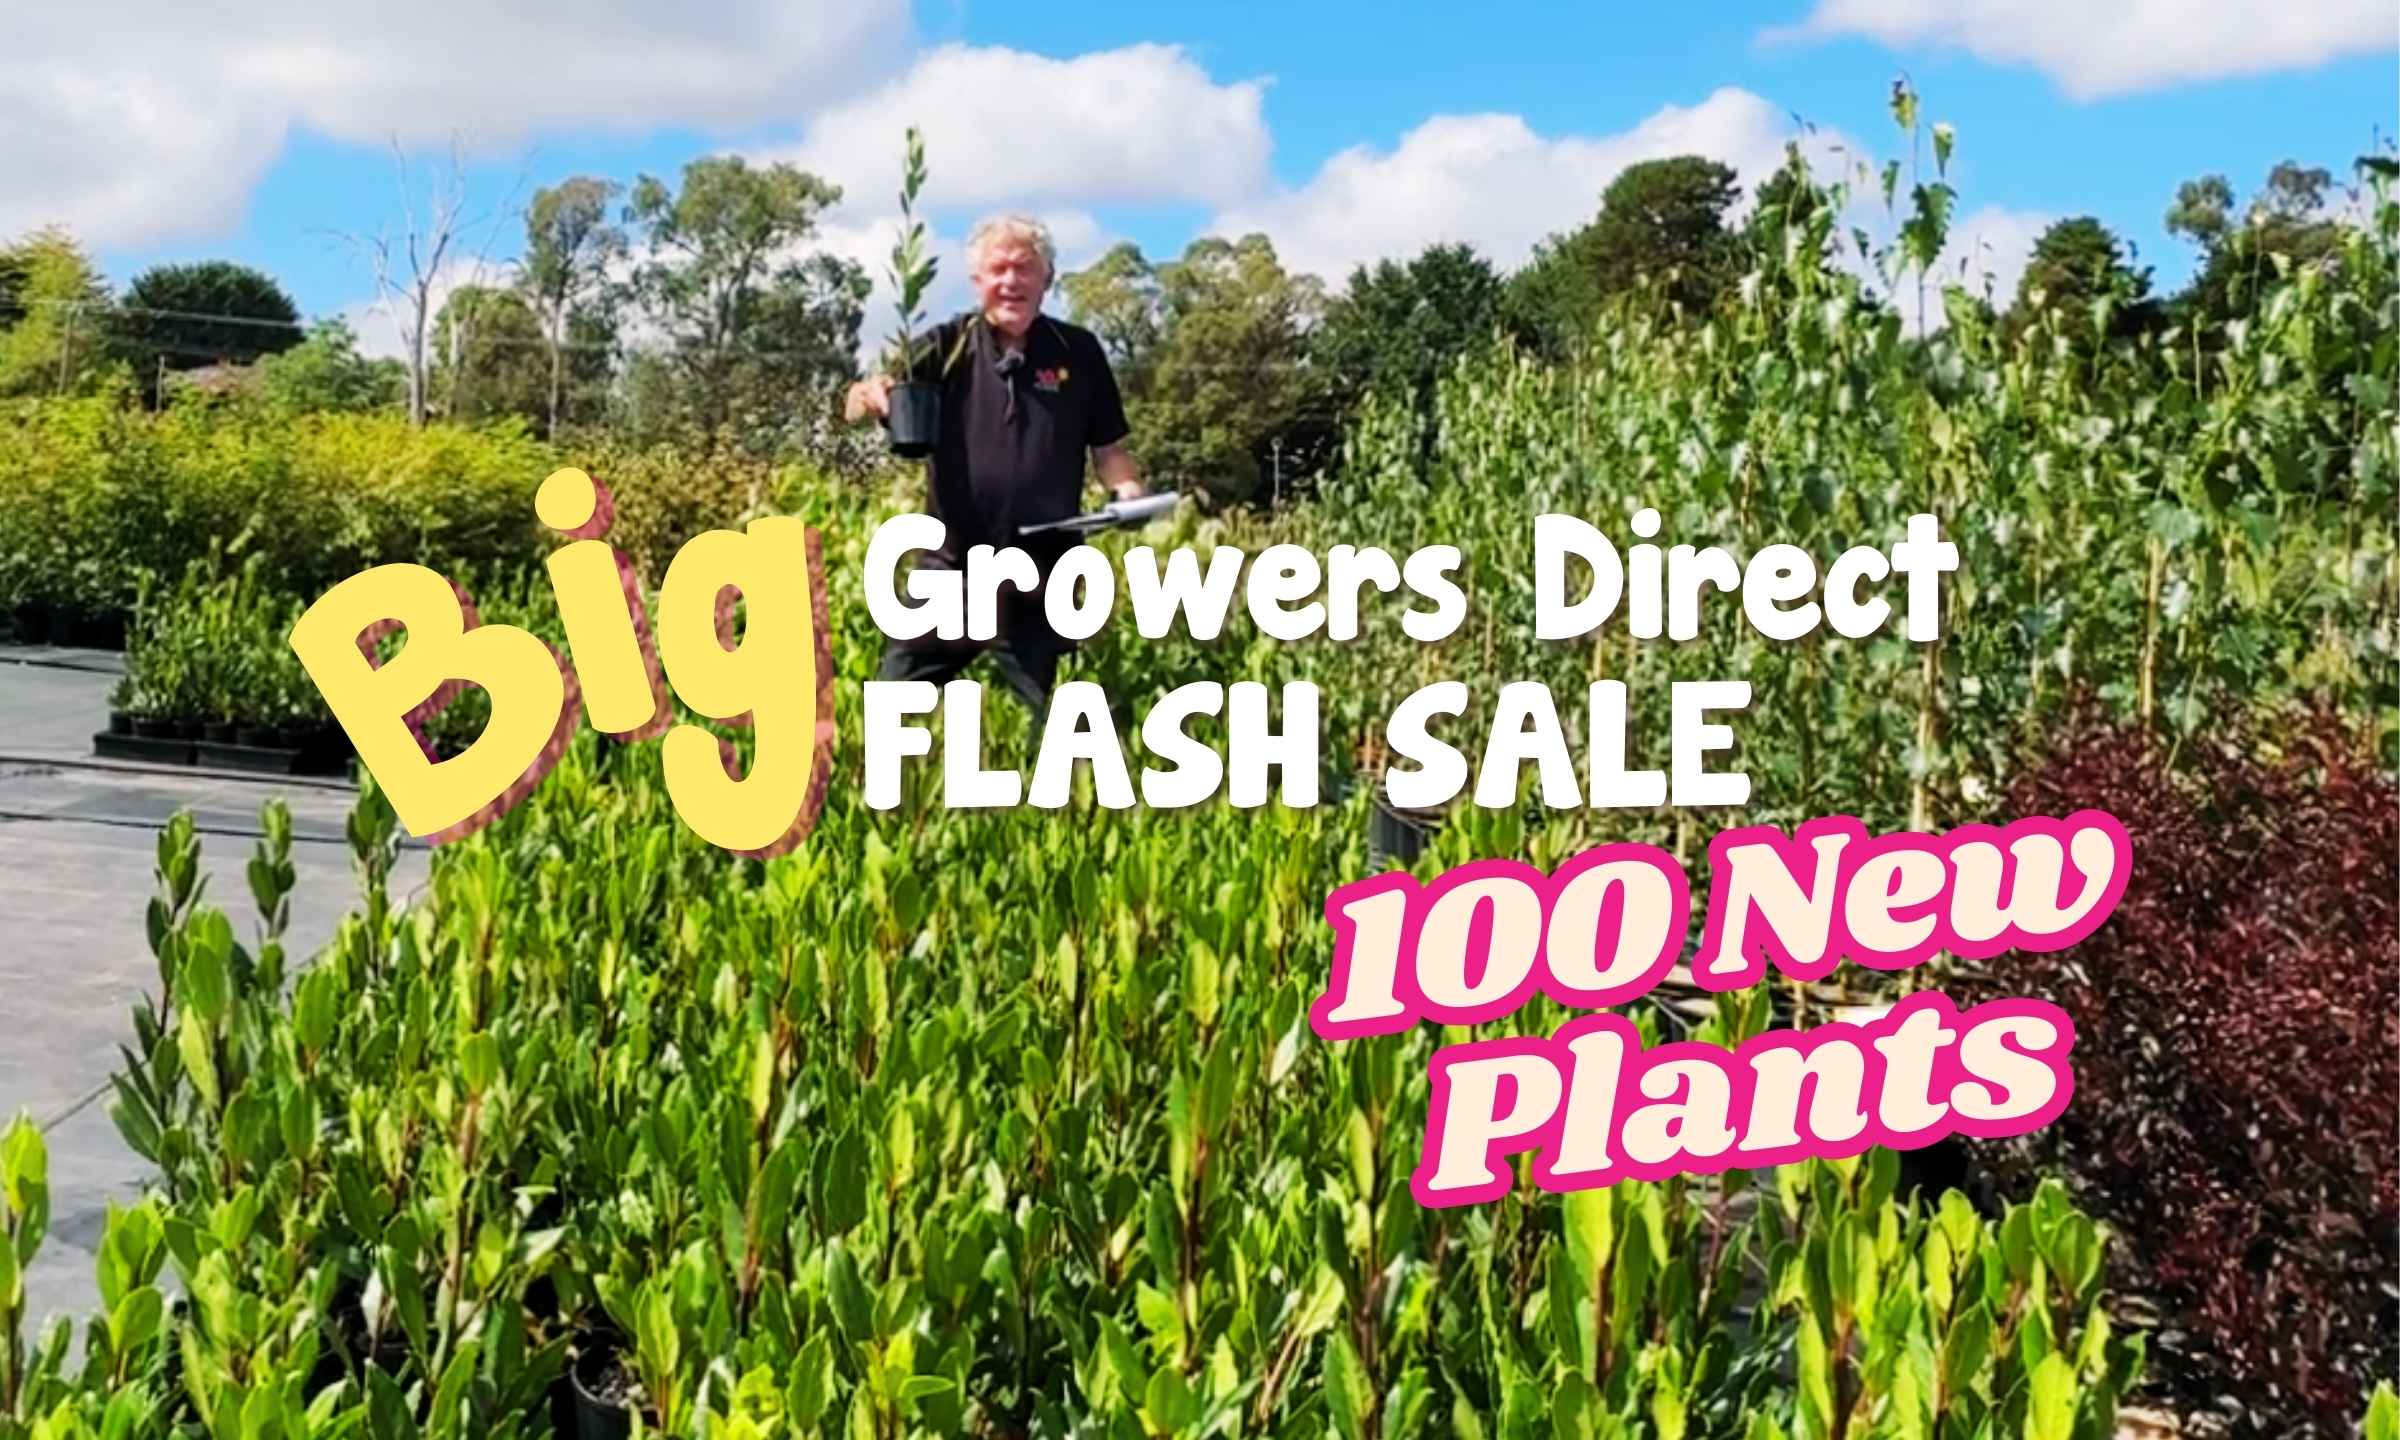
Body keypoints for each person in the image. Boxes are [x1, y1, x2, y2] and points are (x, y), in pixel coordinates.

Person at [845, 214, 1145, 717]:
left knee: (1044, 718)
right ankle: (888, 793)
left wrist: (1129, 490)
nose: (1011, 281)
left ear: (1047, 278)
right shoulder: (946, 345)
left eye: (1025, 268)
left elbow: (1109, 448)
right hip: (953, 564)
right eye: (998, 269)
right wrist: (871, 397)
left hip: (1042, 567)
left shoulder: (1079, 351)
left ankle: (1039, 793)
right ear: (977, 281)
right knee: (893, 705)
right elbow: (856, 400)